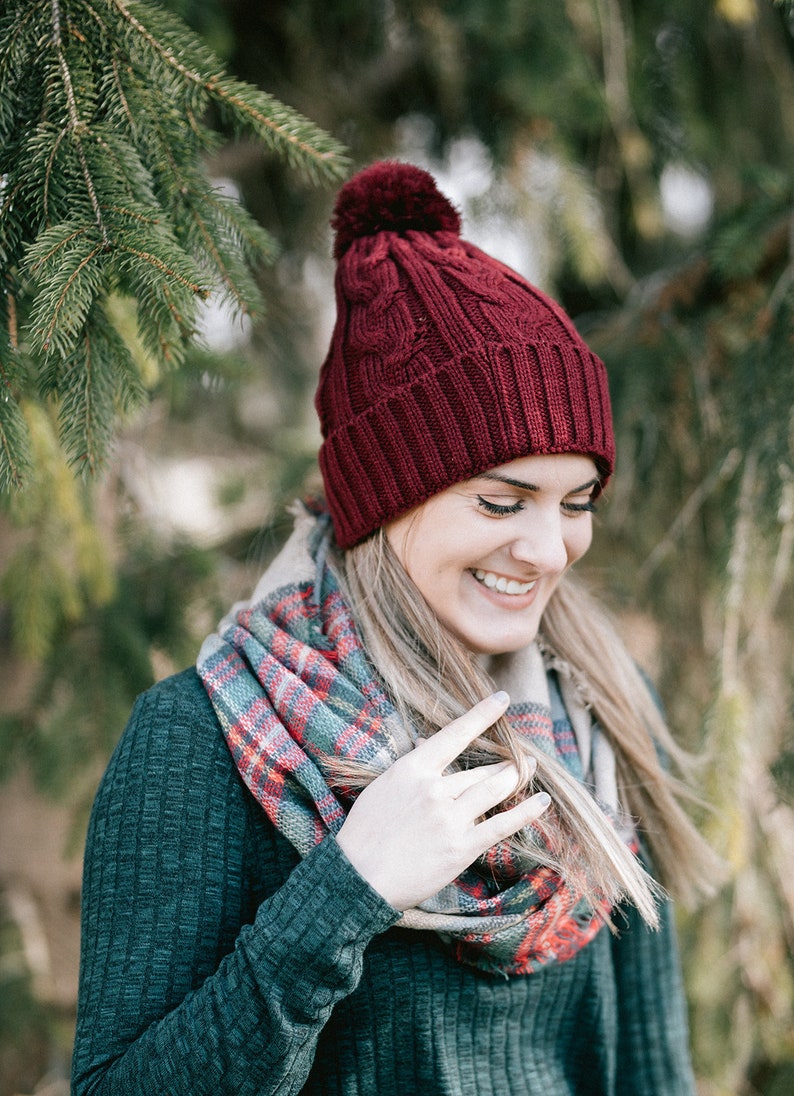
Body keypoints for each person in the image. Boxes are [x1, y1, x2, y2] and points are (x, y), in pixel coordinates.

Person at [72, 161, 719, 1095]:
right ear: (385, 498)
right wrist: (347, 891)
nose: (551, 549)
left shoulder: (598, 709)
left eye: (577, 501)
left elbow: (654, 1074)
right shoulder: (202, 745)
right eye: (503, 501)